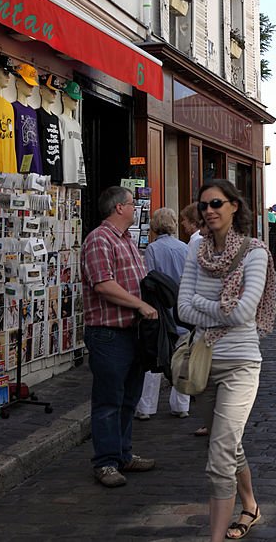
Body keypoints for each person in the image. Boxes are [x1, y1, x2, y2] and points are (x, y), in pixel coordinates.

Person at [177, 179, 276, 541]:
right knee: (226, 445)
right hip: (203, 364)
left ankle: (214, 538)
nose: (209, 210)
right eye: (203, 205)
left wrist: (212, 310)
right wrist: (221, 308)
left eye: (217, 203)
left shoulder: (255, 253)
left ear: (234, 206)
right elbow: (182, 307)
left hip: (240, 364)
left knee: (219, 455)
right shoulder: (196, 251)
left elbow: (245, 313)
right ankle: (250, 505)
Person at [82, 186, 158, 488]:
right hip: (108, 334)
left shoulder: (127, 240)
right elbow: (103, 285)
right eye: (132, 203)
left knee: (129, 399)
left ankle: (123, 453)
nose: (135, 207)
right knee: (108, 401)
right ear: (119, 209)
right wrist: (140, 303)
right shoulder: (99, 240)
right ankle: (105, 462)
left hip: (132, 332)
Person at [135, 208, 191, 421]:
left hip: (160, 308)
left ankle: (146, 407)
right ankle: (181, 404)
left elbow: (149, 280)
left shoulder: (153, 249)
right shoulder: (184, 248)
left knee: (155, 356)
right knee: (182, 357)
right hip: (182, 307)